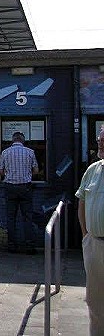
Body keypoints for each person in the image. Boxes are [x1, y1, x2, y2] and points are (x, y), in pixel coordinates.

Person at [76, 125, 104, 335]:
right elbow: (82, 204)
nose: (101, 143)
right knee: (95, 302)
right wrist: (86, 237)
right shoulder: (92, 170)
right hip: (94, 245)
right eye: (100, 139)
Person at [0, 131, 38, 254]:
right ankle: (29, 246)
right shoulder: (30, 152)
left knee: (11, 218)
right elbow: (36, 170)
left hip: (10, 187)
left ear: (13, 140)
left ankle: (12, 246)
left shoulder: (5, 152)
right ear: (23, 140)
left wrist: (9, 174)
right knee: (27, 218)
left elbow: (0, 171)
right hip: (25, 187)